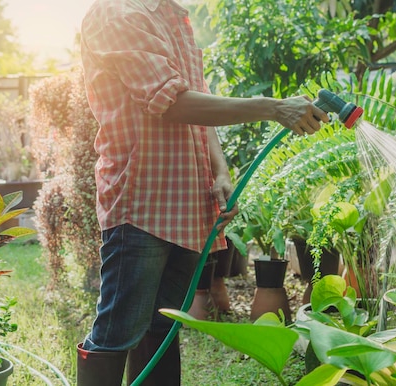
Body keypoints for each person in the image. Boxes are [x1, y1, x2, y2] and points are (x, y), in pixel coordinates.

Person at [77, 0, 329, 385]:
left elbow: (198, 97)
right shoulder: (115, 14)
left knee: (163, 328)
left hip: (186, 205)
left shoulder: (174, 16)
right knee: (118, 331)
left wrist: (220, 170)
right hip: (141, 204)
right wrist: (273, 108)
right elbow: (172, 102)